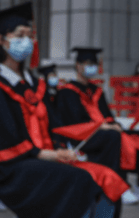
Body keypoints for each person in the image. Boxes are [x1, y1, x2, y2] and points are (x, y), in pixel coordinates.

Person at [0, 2, 127, 218]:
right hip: (11, 168)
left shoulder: (34, 83)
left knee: (109, 178)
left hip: (42, 157)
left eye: (29, 35)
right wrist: (48, 155)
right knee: (78, 178)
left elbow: (55, 125)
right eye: (19, 35)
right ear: (2, 40)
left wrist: (75, 142)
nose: (26, 41)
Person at [54, 48, 132, 184]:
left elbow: (107, 115)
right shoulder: (67, 92)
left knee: (131, 135)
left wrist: (114, 125)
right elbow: (74, 120)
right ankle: (114, 182)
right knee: (113, 137)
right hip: (81, 136)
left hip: (101, 132)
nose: (92, 67)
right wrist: (104, 127)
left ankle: (125, 183)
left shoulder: (96, 91)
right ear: (78, 65)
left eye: (94, 64)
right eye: (88, 63)